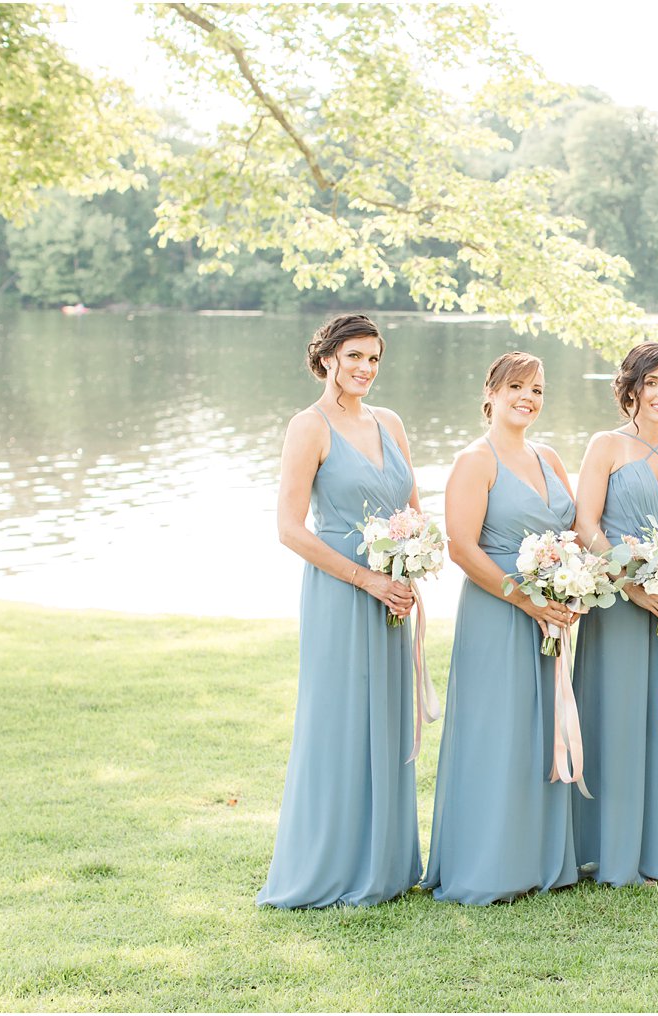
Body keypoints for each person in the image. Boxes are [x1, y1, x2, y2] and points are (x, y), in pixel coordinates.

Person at [259, 314, 423, 908]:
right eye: (355, 356)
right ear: (327, 357)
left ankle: (386, 863)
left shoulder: (391, 423)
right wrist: (366, 578)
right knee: (340, 720)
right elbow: (288, 529)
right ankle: (329, 864)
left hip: (394, 592)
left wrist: (412, 563)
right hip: (341, 589)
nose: (365, 369)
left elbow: (413, 508)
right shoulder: (309, 427)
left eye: (375, 359)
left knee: (387, 718)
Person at [422, 351, 582, 904]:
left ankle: (540, 858)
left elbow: (575, 533)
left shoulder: (550, 458)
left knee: (541, 731)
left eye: (537, 390)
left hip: (550, 615)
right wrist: (526, 599)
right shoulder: (475, 460)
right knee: (498, 731)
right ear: (490, 393)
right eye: (517, 387)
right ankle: (489, 864)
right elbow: (461, 547)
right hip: (498, 611)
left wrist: (574, 582)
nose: (528, 398)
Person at [572, 343, 658, 884]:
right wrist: (631, 585)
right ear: (631, 388)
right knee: (619, 717)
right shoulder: (607, 445)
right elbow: (586, 525)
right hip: (617, 605)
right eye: (652, 383)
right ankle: (610, 848)